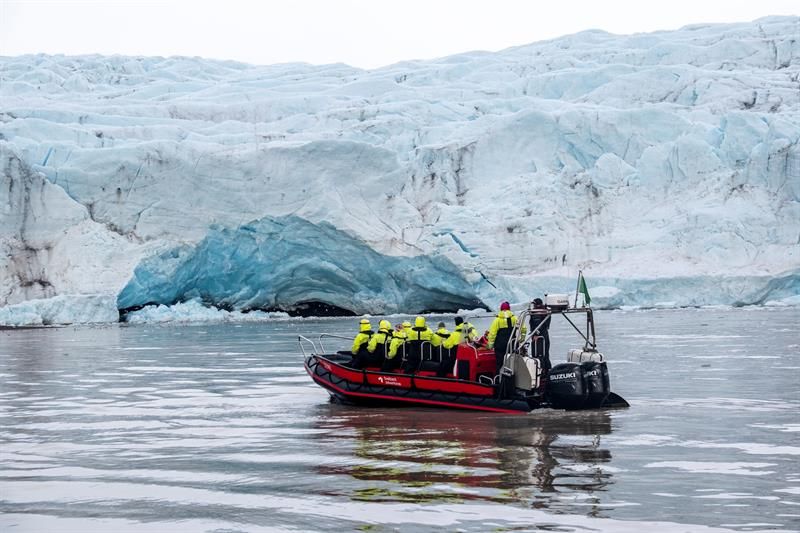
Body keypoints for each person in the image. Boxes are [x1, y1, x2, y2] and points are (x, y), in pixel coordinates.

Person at [488, 301, 518, 374]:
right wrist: (520, 340)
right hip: (512, 344)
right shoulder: (515, 318)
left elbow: (492, 333)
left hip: (500, 345)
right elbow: (523, 329)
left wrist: (490, 345)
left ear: (501, 309)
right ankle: (513, 379)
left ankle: (499, 379)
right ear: (509, 309)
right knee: (512, 363)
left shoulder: (497, 320)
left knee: (500, 363)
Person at [529, 298, 551, 372]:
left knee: (539, 355)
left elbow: (538, 325)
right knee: (545, 354)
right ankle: (547, 370)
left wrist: (535, 334)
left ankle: (541, 372)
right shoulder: (545, 312)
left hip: (539, 337)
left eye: (534, 304)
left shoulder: (537, 313)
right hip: (544, 335)